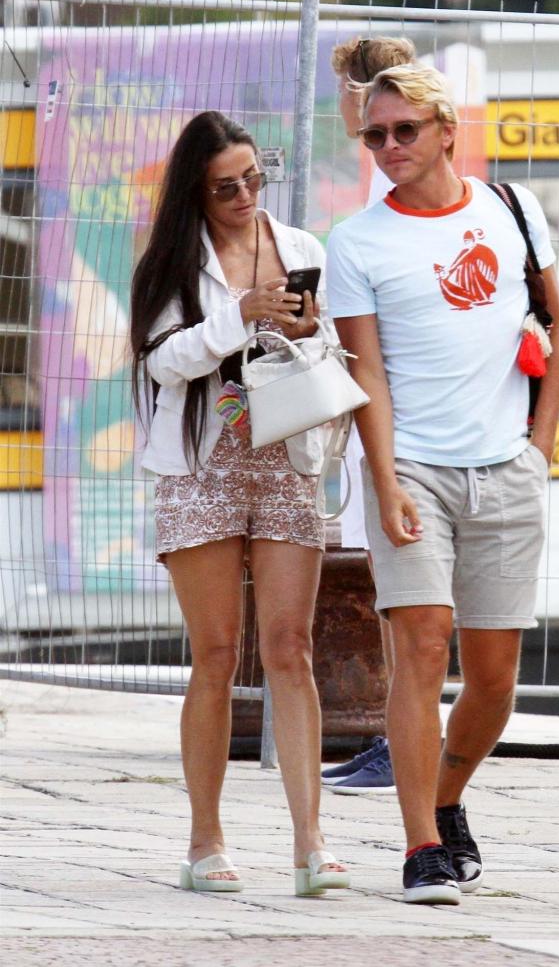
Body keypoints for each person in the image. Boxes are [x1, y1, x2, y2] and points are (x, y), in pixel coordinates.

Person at [326, 65, 559, 904]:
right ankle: (421, 844)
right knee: (423, 645)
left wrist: (539, 445)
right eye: (374, 135)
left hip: (506, 467)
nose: (389, 147)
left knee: (496, 679)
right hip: (413, 468)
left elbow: (552, 327)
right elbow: (369, 375)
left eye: (404, 131)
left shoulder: (512, 210)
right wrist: (384, 480)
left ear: (445, 129)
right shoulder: (357, 241)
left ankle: (448, 799)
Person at [129, 111, 349, 898]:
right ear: (197, 188)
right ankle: (204, 840)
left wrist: (304, 328)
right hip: (202, 463)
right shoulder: (173, 260)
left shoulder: (302, 248)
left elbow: (323, 352)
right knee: (217, 653)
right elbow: (164, 360)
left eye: (256, 177)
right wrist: (240, 316)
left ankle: (311, 843)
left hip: (286, 454)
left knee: (291, 647)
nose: (246, 194)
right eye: (228, 186)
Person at [320, 36, 417, 797]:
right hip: (375, 411)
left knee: (406, 592)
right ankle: (394, 731)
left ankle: (405, 737)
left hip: (399, 421)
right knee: (391, 586)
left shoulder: (396, 199)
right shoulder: (376, 202)